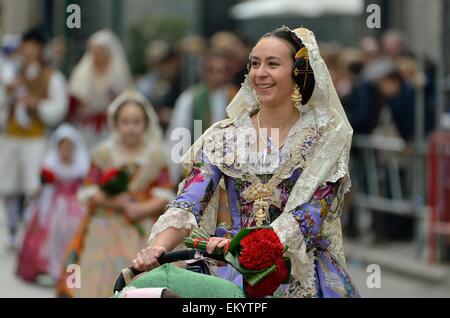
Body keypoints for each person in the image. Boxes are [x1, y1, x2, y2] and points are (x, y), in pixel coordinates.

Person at [132, 26, 360, 298]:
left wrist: (249, 246)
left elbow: (310, 215)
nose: (260, 72)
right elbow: (189, 199)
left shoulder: (324, 140)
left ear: (298, 71)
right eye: (254, 64)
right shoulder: (224, 136)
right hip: (230, 270)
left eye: (272, 64)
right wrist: (159, 247)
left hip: (301, 273)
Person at [56, 90, 174, 298]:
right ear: (116, 123)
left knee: (139, 273)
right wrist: (116, 202)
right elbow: (89, 191)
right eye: (125, 122)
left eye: (136, 122)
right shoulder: (102, 153)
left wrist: (141, 209)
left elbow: (165, 194)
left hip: (142, 225)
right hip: (104, 223)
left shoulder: (156, 156)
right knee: (98, 276)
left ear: (146, 124)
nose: (130, 128)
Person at [0, 28, 68, 250]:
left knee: (33, 187)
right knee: (8, 186)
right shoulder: (12, 72)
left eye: (30, 45)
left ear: (39, 48)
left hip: (35, 138)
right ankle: (11, 230)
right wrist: (9, 93)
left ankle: (29, 233)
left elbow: (59, 108)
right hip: (11, 136)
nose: (26, 50)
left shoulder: (51, 76)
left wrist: (36, 103)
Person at [16, 123, 89, 283]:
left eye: (69, 147)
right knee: (52, 239)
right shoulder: (51, 164)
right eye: (63, 147)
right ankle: (54, 272)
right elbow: (41, 187)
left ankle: (72, 278)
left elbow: (84, 188)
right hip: (55, 209)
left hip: (74, 210)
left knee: (72, 240)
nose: (66, 151)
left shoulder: (80, 166)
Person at [166, 49, 239, 184]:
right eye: (212, 71)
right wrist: (177, 170)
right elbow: (179, 134)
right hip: (198, 169)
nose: (217, 76)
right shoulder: (190, 99)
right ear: (204, 72)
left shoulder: (238, 98)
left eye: (221, 71)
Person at [68, 29, 132, 148]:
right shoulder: (82, 73)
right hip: (86, 127)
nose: (97, 55)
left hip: (111, 126)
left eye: (100, 51)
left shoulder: (118, 74)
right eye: (94, 51)